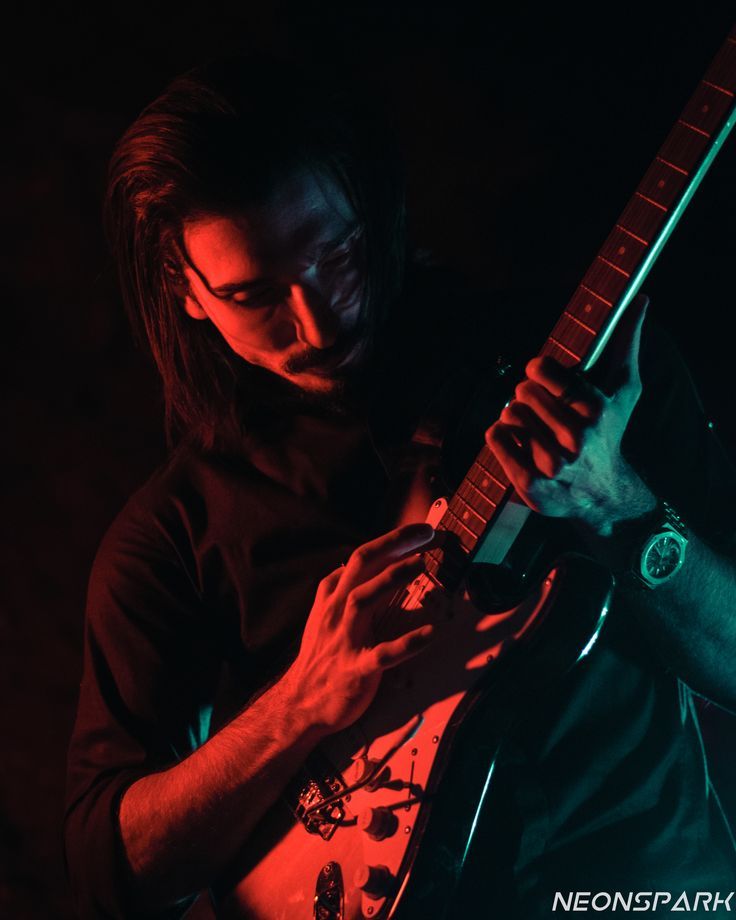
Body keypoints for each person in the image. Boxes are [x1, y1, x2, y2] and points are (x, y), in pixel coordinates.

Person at [64, 54, 736, 919]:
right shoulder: (174, 534)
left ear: (376, 209)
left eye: (336, 254)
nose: (315, 320)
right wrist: (298, 704)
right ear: (185, 292)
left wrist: (621, 506)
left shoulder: (579, 365)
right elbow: (108, 870)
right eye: (251, 293)